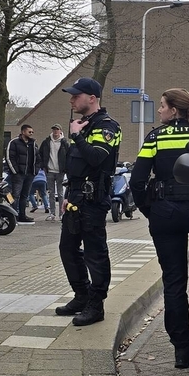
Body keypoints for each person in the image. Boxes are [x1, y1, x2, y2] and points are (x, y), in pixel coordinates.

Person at [130, 89, 189, 368]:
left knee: (173, 282)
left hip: (166, 213)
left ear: (173, 110)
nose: (158, 111)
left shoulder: (155, 138)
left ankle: (182, 350)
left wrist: (152, 211)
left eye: (161, 107)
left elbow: (136, 181)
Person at [55, 77, 121, 327]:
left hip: (94, 200)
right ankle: (81, 295)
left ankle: (97, 304)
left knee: (95, 253)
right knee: (67, 248)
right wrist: (69, 195)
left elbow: (95, 158)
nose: (71, 100)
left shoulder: (108, 126)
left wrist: (77, 136)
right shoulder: (82, 124)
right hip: (76, 197)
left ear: (92, 98)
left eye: (76, 95)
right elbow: (75, 166)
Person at [6, 124, 37, 223]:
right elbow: (9, 157)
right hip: (18, 174)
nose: (31, 134)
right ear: (23, 132)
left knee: (25, 196)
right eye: (29, 132)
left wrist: (35, 171)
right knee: (15, 195)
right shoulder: (14, 142)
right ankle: (13, 216)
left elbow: (38, 158)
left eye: (32, 132)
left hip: (30, 174)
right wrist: (15, 171)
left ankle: (22, 216)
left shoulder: (34, 144)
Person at [38, 124, 68, 221]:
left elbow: (69, 155)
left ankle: (61, 213)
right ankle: (52, 213)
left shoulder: (64, 143)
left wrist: (66, 168)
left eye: (57, 129)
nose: (55, 131)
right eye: (54, 129)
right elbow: (40, 154)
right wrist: (43, 166)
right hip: (49, 170)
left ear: (60, 131)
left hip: (60, 171)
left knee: (60, 193)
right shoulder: (46, 142)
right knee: (51, 193)